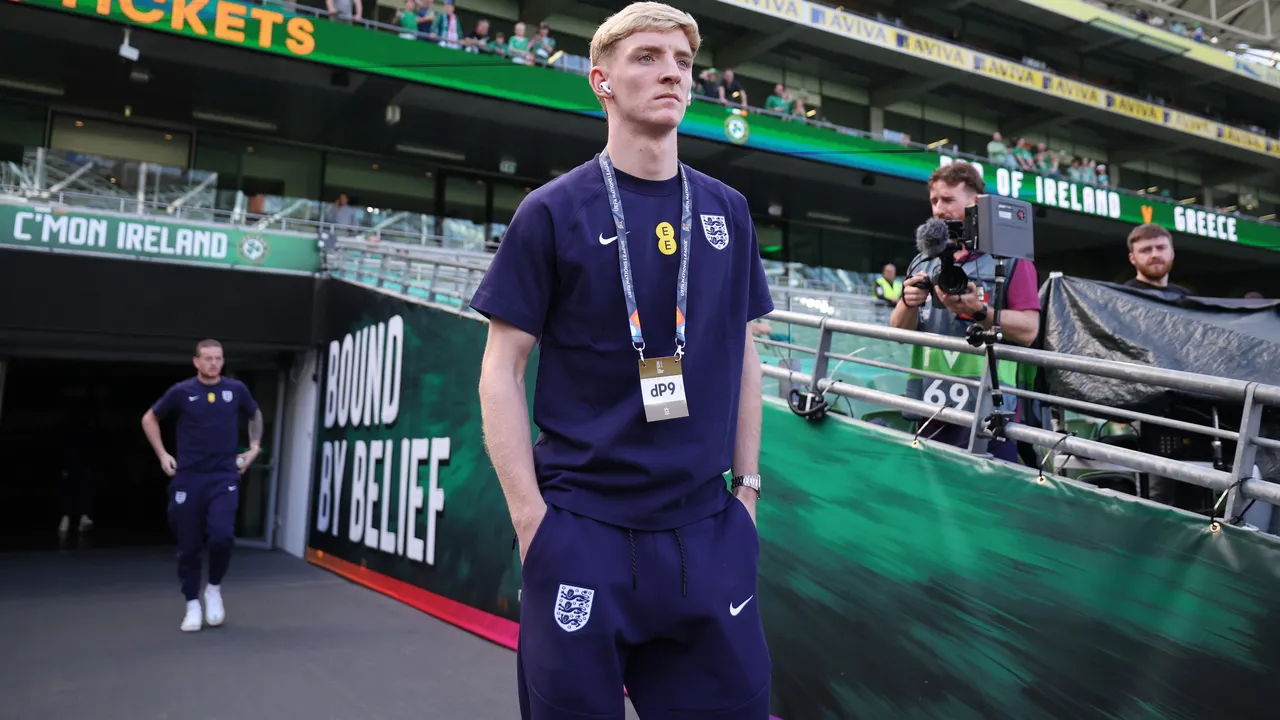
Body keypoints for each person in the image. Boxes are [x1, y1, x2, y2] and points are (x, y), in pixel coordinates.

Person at [470, 3, 774, 718]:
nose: (671, 71)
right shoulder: (551, 210)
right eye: (647, 57)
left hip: (707, 530)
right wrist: (531, 522)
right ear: (601, 81)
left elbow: (747, 357)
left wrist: (749, 496)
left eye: (682, 61)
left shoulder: (728, 210)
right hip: (583, 533)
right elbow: (500, 370)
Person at [890, 161, 1042, 463]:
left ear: (975, 202)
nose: (938, 209)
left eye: (948, 200)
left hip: (991, 409)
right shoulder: (923, 261)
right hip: (932, 404)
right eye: (934, 200)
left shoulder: (1010, 259)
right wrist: (908, 301)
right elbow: (898, 331)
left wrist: (979, 310)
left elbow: (1029, 330)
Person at [141, 339, 263, 633]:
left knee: (222, 536)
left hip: (223, 476)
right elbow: (150, 418)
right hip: (189, 478)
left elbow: (254, 413)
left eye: (218, 358)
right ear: (196, 362)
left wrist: (254, 447)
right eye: (207, 358)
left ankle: (214, 588)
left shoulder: (236, 390)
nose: (213, 363)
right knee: (188, 545)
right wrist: (163, 455)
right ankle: (192, 604)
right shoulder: (182, 392)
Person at [1123, 223, 1189, 298]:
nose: (1155, 255)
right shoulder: (1124, 296)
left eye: (1161, 248)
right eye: (1146, 250)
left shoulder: (1185, 297)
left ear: (1172, 253)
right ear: (1132, 258)